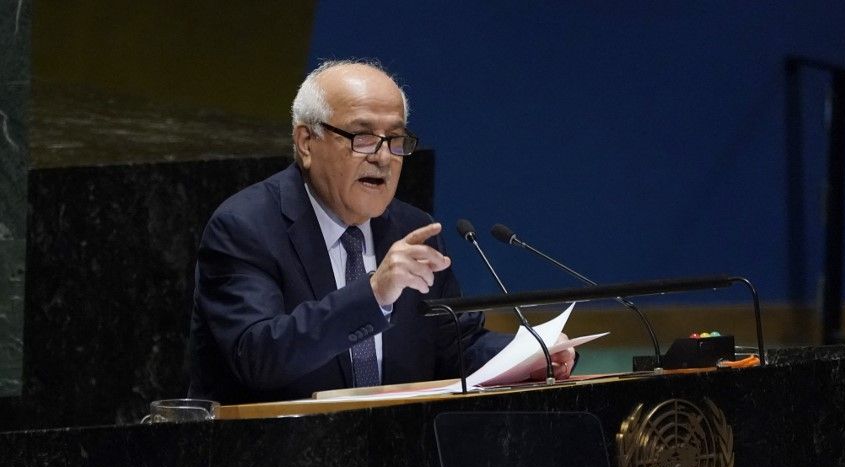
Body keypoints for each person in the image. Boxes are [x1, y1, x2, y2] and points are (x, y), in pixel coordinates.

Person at [188, 59, 575, 404]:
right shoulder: (246, 227)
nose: (383, 156)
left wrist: (532, 353)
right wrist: (373, 293)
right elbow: (257, 355)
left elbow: (457, 347)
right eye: (362, 137)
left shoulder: (412, 228)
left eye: (395, 139)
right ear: (306, 143)